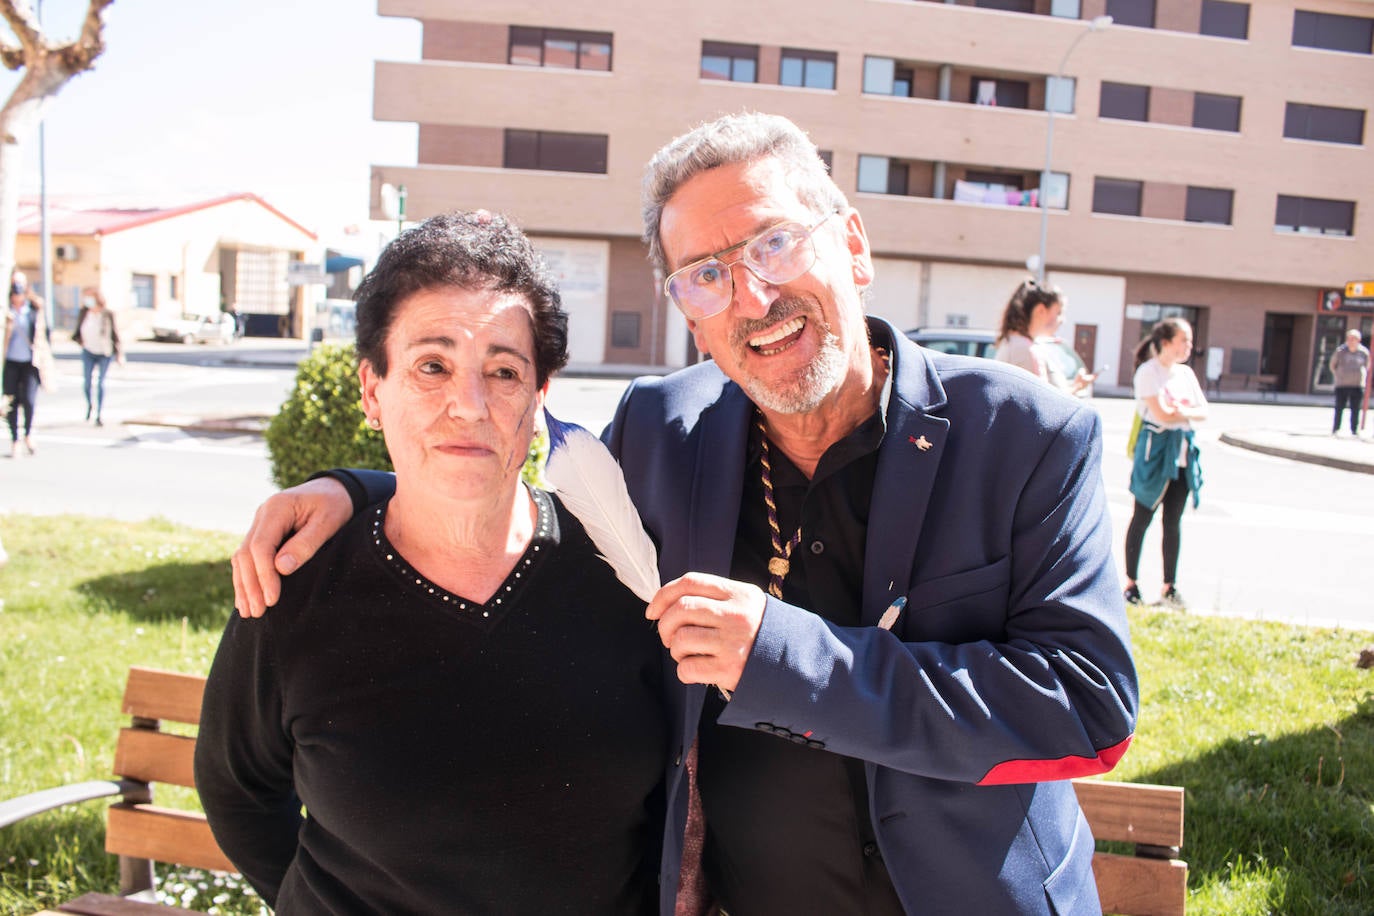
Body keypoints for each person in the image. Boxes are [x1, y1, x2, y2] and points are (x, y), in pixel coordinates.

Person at [232, 113, 1137, 915]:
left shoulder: (1026, 435)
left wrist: (785, 658)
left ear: (852, 244)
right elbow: (505, 474)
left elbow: (1090, 711)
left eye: (774, 244)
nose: (751, 297)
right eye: (705, 276)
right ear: (688, 318)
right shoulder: (659, 432)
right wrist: (358, 491)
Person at [195, 211, 667, 913]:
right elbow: (236, 791)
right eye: (432, 366)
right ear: (372, 390)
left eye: (503, 371)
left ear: (539, 397)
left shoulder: (622, 574)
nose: (468, 406)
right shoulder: (298, 587)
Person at [1122, 318, 1206, 611]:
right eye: (1184, 340)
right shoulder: (1148, 372)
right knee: (1142, 517)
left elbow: (1202, 410)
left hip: (1182, 457)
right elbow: (1161, 413)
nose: (1189, 347)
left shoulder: (1185, 374)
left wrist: (1179, 412)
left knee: (1173, 522)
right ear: (1166, 342)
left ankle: (1170, 586)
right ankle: (1131, 585)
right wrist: (1184, 413)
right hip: (1155, 454)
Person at [994, 277, 1093, 395]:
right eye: (1058, 313)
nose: (1062, 320)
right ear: (1041, 310)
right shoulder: (1024, 349)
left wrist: (1076, 387)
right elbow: (1041, 404)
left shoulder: (1016, 343)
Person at [3, 271, 52, 458]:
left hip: (31, 362)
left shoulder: (34, 308)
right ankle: (15, 439)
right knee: (11, 401)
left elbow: (44, 335)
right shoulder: (4, 309)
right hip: (10, 362)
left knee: (29, 400)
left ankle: (28, 434)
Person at [72, 289, 124, 426]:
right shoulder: (84, 313)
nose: (86, 300)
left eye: (89, 297)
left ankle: (99, 414)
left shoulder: (107, 314)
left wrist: (119, 353)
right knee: (87, 382)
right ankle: (90, 405)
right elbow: (76, 331)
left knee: (100, 383)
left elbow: (115, 334)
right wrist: (80, 341)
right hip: (88, 351)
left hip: (104, 352)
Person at [1329, 328, 1369, 437]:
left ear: (1358, 340)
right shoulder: (1340, 351)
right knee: (1339, 408)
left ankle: (1354, 430)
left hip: (1357, 385)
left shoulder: (1363, 352)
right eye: (1350, 338)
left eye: (1354, 339)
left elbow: (1367, 366)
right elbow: (1333, 365)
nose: (1352, 341)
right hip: (1342, 384)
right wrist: (1338, 375)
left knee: (1355, 409)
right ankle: (1336, 429)